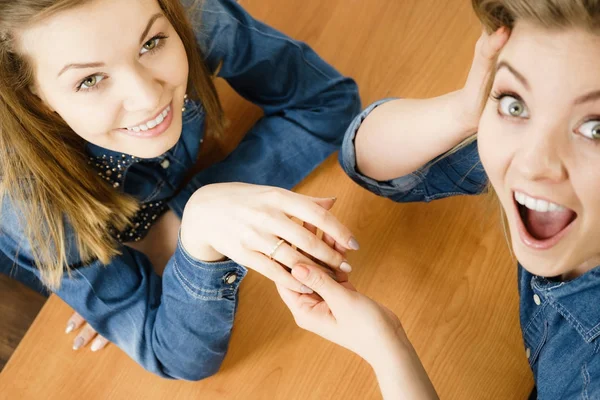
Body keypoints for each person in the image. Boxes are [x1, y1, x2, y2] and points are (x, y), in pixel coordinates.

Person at [0, 0, 360, 380]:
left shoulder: (189, 13)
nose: (147, 96)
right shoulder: (22, 199)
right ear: (35, 98)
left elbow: (327, 103)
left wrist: (188, 215)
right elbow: (174, 356)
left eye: (151, 43)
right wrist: (193, 241)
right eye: (89, 80)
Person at [279, 0, 600, 398]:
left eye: (596, 129)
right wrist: (468, 109)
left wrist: (387, 350)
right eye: (515, 103)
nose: (533, 164)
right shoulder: (529, 147)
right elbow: (365, 156)